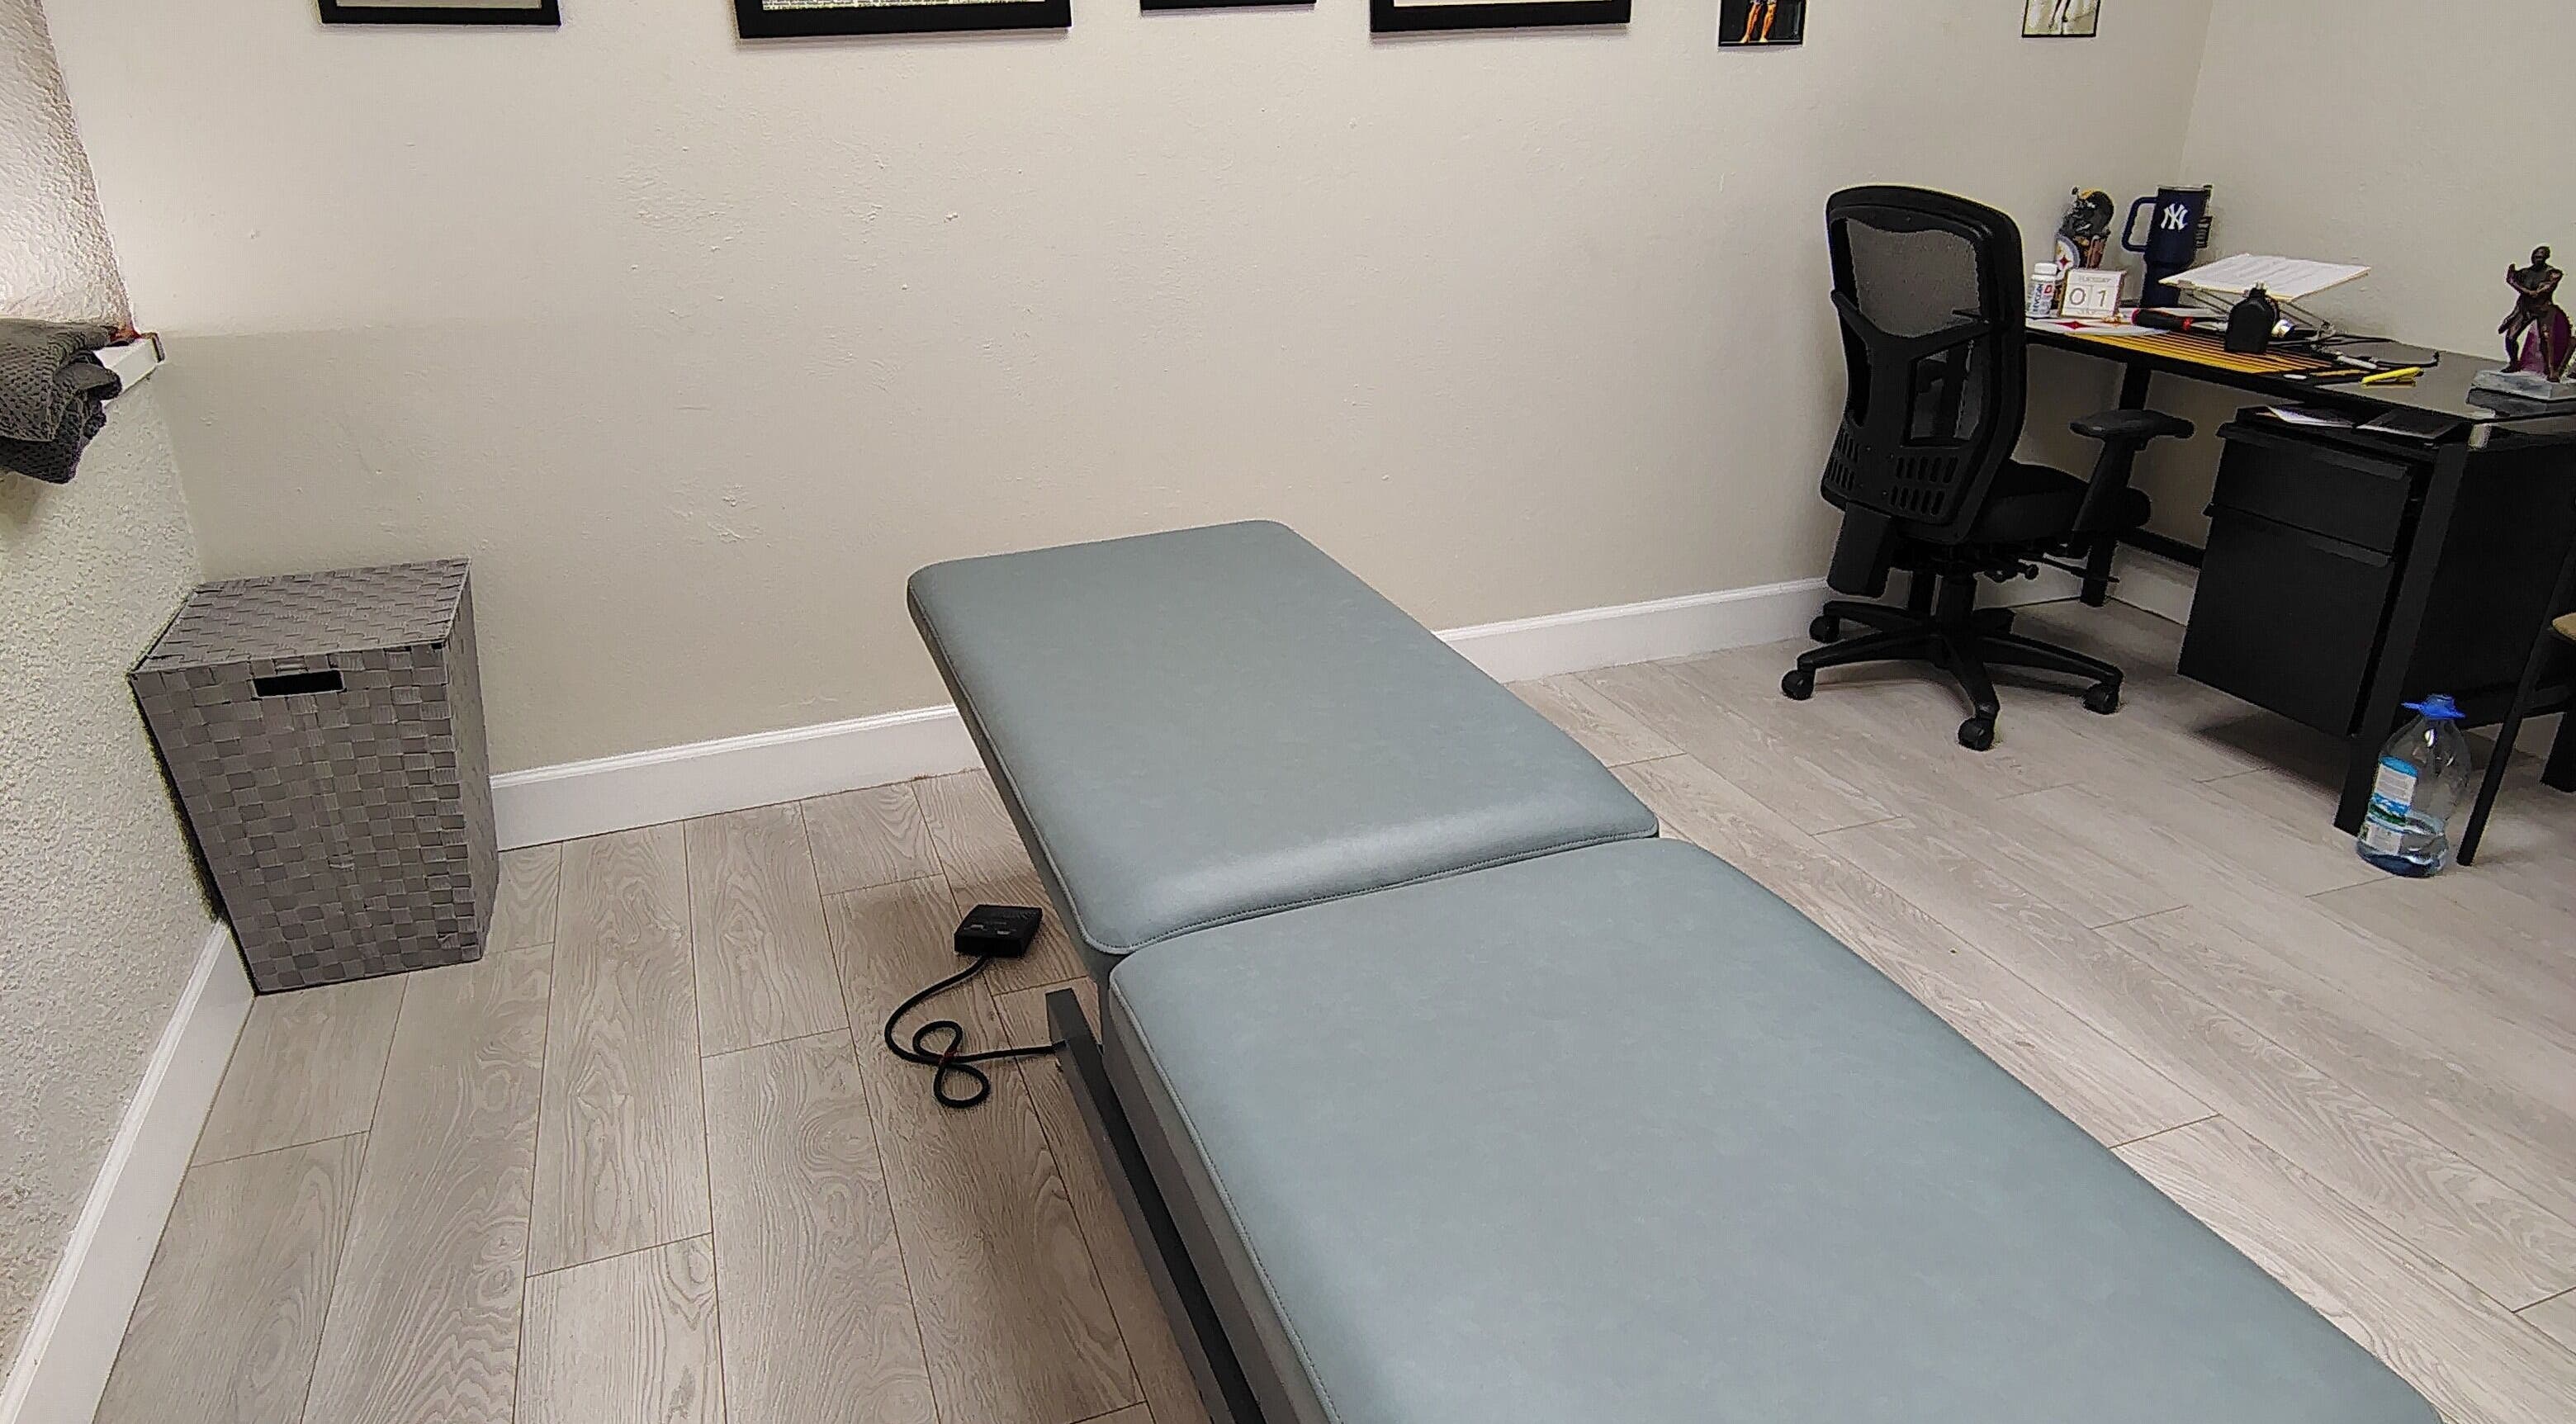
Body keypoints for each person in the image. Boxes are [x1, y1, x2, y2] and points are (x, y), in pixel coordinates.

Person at [2503, 246, 2573, 381]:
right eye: (2534, 256)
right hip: (2526, 309)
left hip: (2544, 310)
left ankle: (2551, 370)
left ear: (2546, 258)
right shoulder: (2525, 273)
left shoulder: (2553, 274)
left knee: (2546, 338)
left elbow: (2535, 294)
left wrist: (2513, 283)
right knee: (2510, 337)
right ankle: (2513, 363)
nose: (2536, 260)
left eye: (2540, 257)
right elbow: (2521, 290)